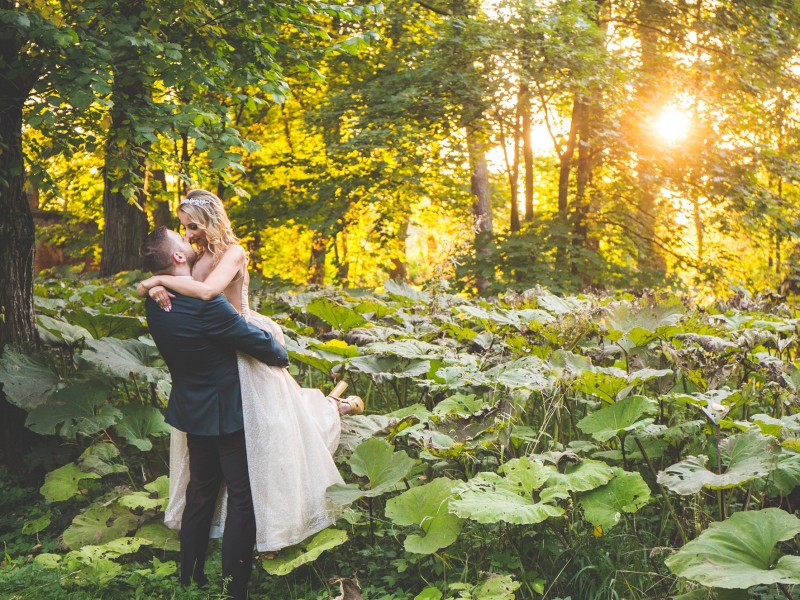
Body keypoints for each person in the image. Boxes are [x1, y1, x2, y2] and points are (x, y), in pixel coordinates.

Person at [137, 190, 359, 555]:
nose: (189, 233)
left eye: (193, 226)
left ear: (210, 220)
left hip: (242, 339)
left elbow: (207, 291)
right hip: (219, 348)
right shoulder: (196, 255)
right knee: (234, 454)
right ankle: (338, 406)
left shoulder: (232, 252)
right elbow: (185, 282)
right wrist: (160, 282)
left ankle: (335, 412)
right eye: (184, 228)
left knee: (273, 436)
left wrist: (151, 283)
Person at [139, 227, 290, 599]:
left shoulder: (156, 300)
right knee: (242, 495)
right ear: (177, 257)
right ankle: (234, 588)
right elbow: (269, 352)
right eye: (182, 240)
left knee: (201, 490)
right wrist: (275, 338)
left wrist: (151, 283)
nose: (190, 243)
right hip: (228, 411)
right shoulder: (206, 304)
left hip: (193, 408)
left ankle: (189, 577)